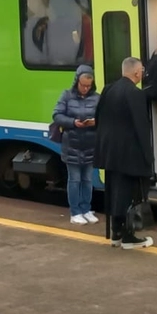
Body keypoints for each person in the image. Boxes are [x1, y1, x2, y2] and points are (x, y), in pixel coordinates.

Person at [95, 57, 154, 250]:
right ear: (137, 73)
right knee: (131, 194)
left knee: (115, 193)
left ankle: (116, 234)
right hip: (130, 154)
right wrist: (148, 158)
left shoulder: (108, 89)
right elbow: (141, 128)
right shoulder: (135, 94)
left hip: (110, 152)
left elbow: (99, 119)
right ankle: (129, 237)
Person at [52, 64, 100, 225]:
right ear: (76, 82)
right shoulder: (66, 95)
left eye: (88, 86)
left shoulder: (97, 98)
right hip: (71, 144)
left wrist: (95, 121)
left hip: (90, 144)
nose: (85, 88)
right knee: (75, 179)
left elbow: (104, 116)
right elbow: (57, 115)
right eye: (83, 85)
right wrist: (73, 122)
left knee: (87, 179)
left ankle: (86, 209)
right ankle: (75, 212)